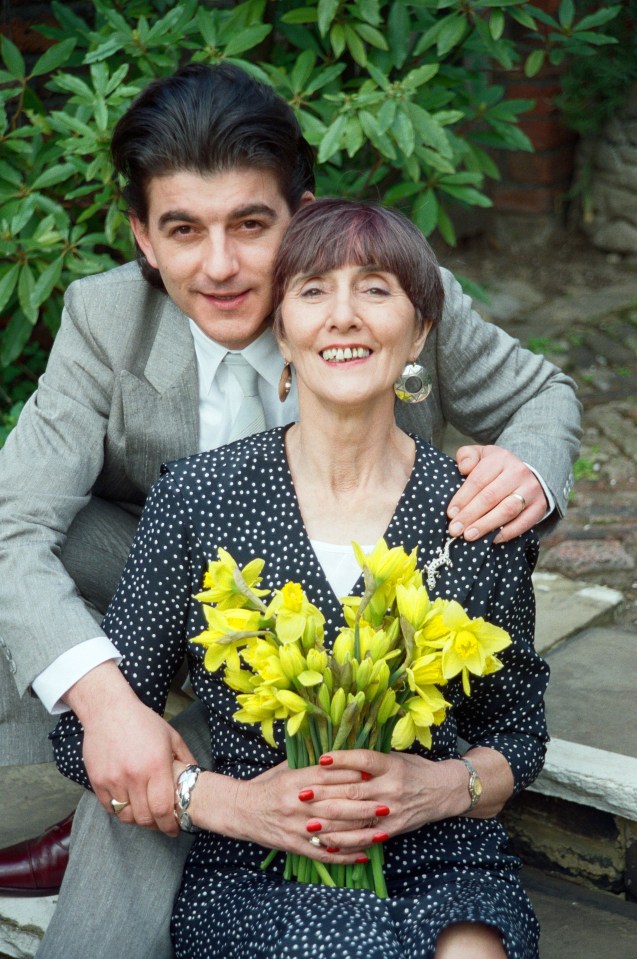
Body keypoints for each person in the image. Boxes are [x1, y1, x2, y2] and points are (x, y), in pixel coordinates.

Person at [0, 62, 576, 955]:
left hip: (366, 626)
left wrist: (526, 478)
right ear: (144, 239)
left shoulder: (382, 292)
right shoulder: (104, 318)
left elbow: (541, 394)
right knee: (46, 550)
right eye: (183, 230)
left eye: (252, 225)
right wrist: (109, 703)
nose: (220, 265)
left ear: (301, 214)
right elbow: (13, 524)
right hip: (159, 589)